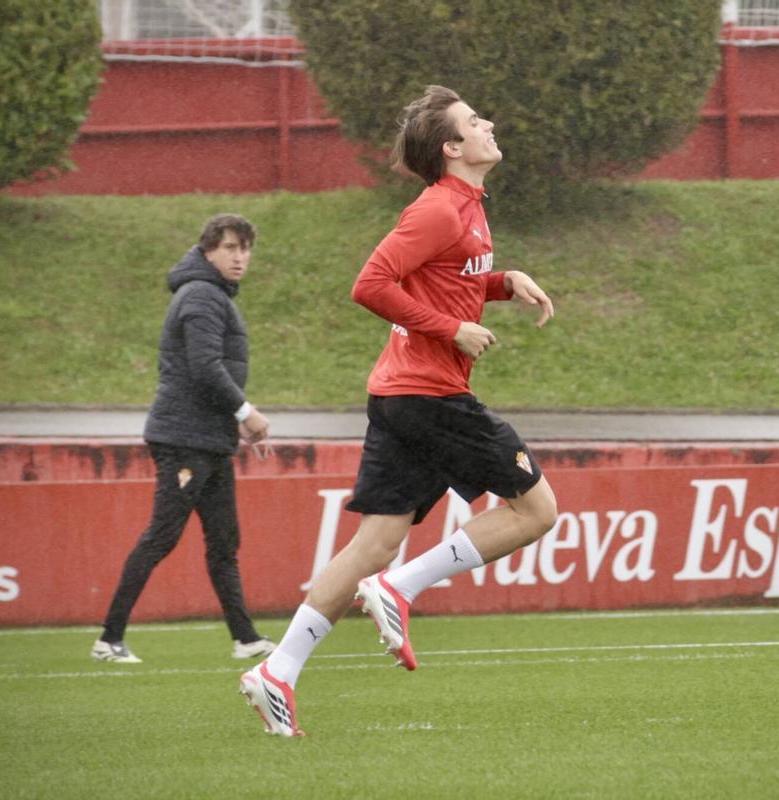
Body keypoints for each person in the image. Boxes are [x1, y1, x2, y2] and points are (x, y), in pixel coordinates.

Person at [239, 85, 559, 738]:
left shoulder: (467, 207)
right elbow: (370, 284)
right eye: (475, 121)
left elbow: (448, 278)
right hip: (429, 395)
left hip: (398, 396)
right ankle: (401, 588)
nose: (488, 124)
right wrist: (451, 329)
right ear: (452, 148)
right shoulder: (441, 208)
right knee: (537, 511)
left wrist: (503, 283)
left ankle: (278, 668)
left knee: (375, 542)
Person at [91, 213, 277, 664]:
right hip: (184, 440)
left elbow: (208, 371)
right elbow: (205, 367)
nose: (240, 257)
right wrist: (246, 413)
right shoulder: (200, 295)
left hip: (208, 439)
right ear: (208, 249)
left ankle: (245, 637)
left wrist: (230, 423)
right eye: (231, 248)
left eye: (245, 248)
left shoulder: (208, 294)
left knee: (223, 541)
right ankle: (109, 639)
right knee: (162, 536)